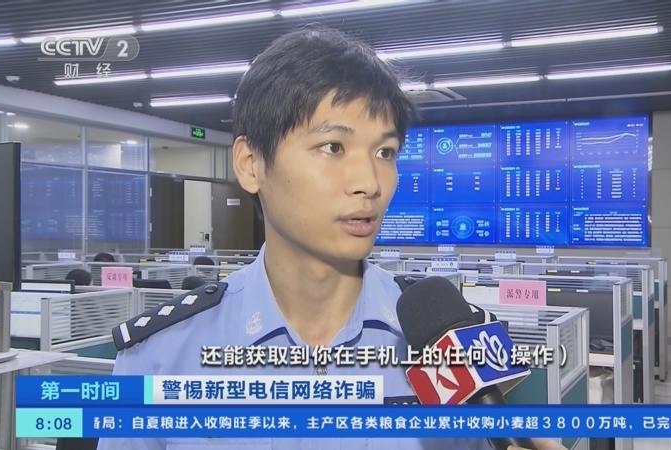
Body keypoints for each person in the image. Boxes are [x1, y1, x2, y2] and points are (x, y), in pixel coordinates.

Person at [99, 27, 564, 450]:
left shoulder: (455, 342)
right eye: (333, 147)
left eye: (385, 152)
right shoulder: (162, 355)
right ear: (251, 164)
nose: (369, 182)